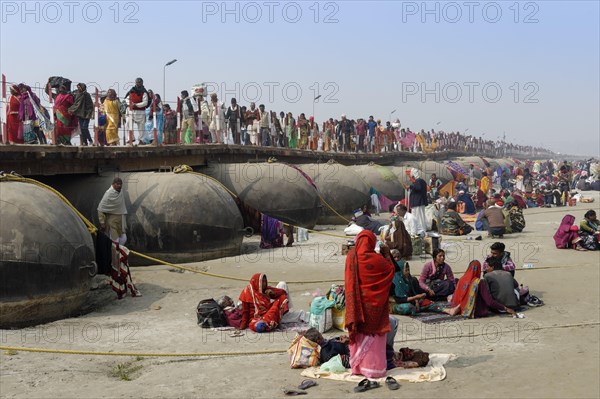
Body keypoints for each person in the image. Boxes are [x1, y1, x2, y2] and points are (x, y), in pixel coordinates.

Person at [345, 230, 395, 378]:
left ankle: (358, 367)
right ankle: (374, 369)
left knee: (360, 335)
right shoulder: (377, 260)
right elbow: (390, 271)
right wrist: (386, 254)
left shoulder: (351, 256)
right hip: (375, 305)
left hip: (357, 305)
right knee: (375, 337)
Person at [445, 260, 516, 318]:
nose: (485, 269)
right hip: (478, 312)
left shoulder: (461, 280)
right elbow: (489, 301)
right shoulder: (480, 282)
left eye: (487, 267)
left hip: (463, 309)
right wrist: (505, 308)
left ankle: (457, 308)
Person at [97, 177, 128, 243]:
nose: (119, 186)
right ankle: (114, 253)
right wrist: (102, 223)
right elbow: (100, 208)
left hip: (120, 221)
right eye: (117, 184)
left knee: (123, 239)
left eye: (120, 184)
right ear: (113, 184)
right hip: (112, 222)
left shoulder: (120, 192)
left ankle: (119, 252)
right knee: (115, 241)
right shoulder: (108, 194)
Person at [125, 78, 149, 144]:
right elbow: (126, 99)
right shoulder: (131, 91)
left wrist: (136, 105)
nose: (138, 83)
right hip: (131, 111)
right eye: (137, 82)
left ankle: (141, 140)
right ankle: (130, 138)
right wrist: (131, 104)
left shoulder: (144, 92)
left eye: (139, 82)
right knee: (128, 124)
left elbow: (145, 102)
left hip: (140, 112)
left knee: (141, 127)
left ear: (142, 83)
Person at [407, 168, 428, 236]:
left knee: (418, 217)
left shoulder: (418, 181)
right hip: (418, 202)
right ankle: (420, 230)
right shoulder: (421, 181)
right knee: (419, 217)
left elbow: (418, 188)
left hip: (418, 202)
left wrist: (410, 186)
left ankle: (421, 231)